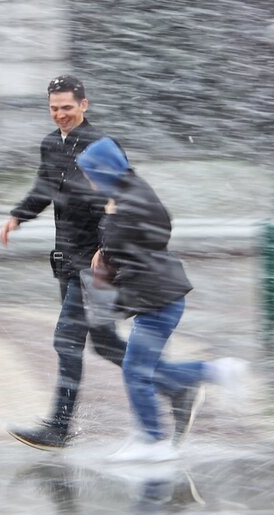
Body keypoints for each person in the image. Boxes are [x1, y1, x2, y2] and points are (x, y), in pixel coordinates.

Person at [0, 75, 205, 451]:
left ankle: (59, 427)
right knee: (106, 343)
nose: (60, 115)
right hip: (67, 258)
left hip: (95, 264)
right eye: (53, 109)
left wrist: (108, 249)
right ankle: (176, 387)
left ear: (84, 105)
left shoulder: (101, 147)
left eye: (66, 108)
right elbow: (44, 187)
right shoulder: (50, 144)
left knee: (67, 339)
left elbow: (124, 198)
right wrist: (19, 215)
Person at [76, 137, 249, 462]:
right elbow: (152, 231)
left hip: (158, 301)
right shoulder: (129, 193)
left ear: (104, 171)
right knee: (144, 369)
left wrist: (108, 259)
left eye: (90, 174)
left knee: (135, 371)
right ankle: (215, 374)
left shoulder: (128, 202)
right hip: (159, 298)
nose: (88, 180)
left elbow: (131, 246)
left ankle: (153, 438)